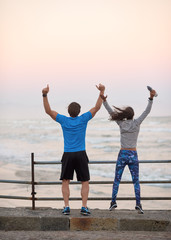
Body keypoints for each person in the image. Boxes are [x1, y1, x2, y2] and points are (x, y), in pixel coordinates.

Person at [42, 84, 105, 215]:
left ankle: (66, 206)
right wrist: (102, 91)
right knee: (85, 181)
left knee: (65, 181)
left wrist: (45, 94)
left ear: (68, 111)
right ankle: (84, 206)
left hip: (68, 154)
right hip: (81, 153)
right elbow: (97, 108)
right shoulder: (83, 119)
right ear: (79, 111)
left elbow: (48, 111)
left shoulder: (64, 120)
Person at [100, 87, 156, 214]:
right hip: (133, 154)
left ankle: (113, 202)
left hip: (122, 154)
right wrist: (151, 98)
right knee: (135, 181)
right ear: (133, 115)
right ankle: (138, 204)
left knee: (117, 179)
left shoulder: (121, 123)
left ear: (125, 115)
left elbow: (111, 112)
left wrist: (104, 101)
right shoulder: (137, 123)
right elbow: (146, 111)